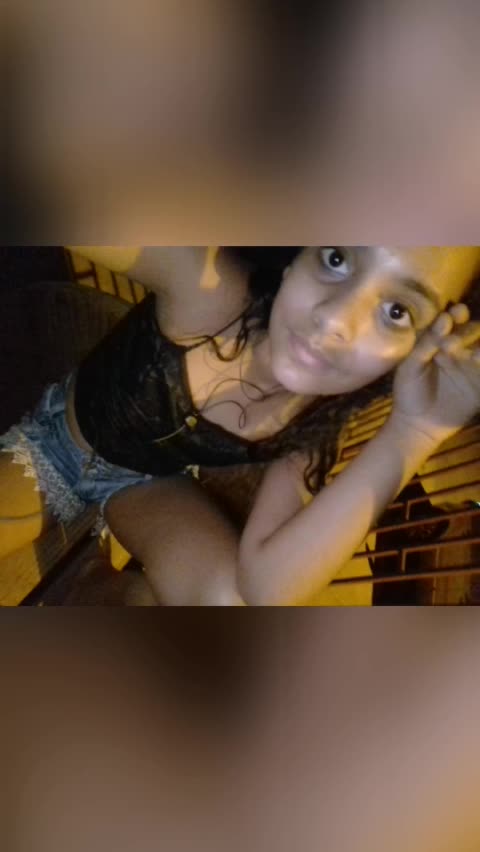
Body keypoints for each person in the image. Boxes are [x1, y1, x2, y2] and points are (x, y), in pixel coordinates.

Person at [1, 246, 480, 606]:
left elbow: (265, 587)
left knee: (227, 604)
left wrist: (415, 431)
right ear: (297, 255)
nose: (334, 319)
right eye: (336, 258)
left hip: (149, 486)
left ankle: (90, 581)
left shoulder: (318, 423)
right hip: (57, 447)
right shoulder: (210, 293)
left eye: (396, 312)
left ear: (410, 355)